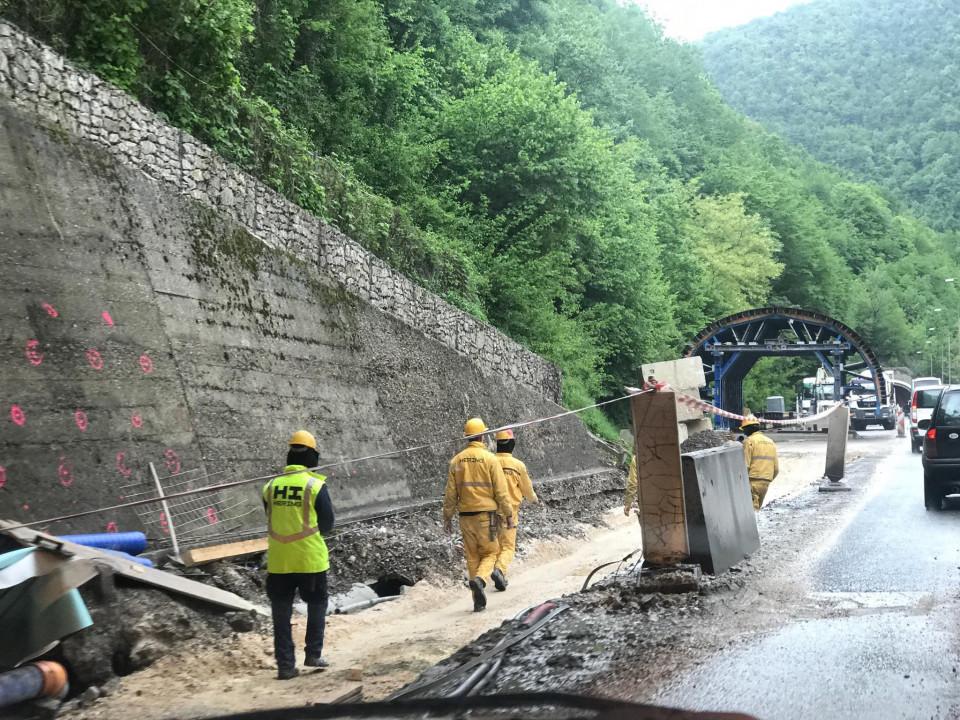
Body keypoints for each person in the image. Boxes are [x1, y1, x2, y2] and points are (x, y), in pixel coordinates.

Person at [262, 430, 335, 680]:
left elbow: (271, 517)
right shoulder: (315, 485)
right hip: (309, 559)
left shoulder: (270, 486)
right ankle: (313, 654)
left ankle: (285, 666)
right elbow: (327, 524)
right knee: (317, 604)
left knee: (281, 612)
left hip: (279, 561)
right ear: (312, 456)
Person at [443, 417, 514, 612]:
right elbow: (501, 491)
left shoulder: (456, 461)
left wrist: (447, 517)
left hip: (465, 517)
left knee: (472, 557)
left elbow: (450, 494)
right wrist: (508, 514)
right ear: (483, 435)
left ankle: (477, 600)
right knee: (491, 552)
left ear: (467, 436)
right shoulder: (490, 459)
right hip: (487, 516)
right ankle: (480, 580)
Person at [491, 428, 538, 591]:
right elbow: (527, 489)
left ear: (497, 444)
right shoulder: (518, 465)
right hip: (509, 512)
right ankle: (499, 570)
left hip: (488, 510)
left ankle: (491, 571)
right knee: (508, 546)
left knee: (494, 543)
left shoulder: (489, 461)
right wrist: (534, 499)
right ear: (512, 444)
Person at [740, 416, 779, 510]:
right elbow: (776, 469)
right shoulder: (771, 442)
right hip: (766, 481)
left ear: (749, 429)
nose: (744, 433)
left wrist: (742, 483)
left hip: (752, 481)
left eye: (744, 430)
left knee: (752, 510)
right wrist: (767, 479)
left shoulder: (749, 441)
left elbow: (745, 465)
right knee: (757, 508)